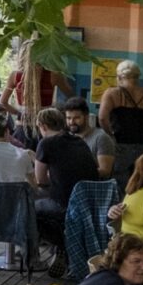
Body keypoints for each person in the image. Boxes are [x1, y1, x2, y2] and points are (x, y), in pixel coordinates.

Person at [34, 105, 100, 269]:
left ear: (43, 126)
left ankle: (61, 246)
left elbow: (40, 180)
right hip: (88, 202)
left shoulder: (46, 144)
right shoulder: (79, 141)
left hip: (64, 204)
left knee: (29, 209)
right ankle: (61, 248)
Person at [99, 60, 143, 174]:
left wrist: (110, 135)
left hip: (120, 145)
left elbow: (102, 118)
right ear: (138, 77)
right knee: (142, 182)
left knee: (121, 185)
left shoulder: (112, 94)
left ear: (119, 77)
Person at [62, 96, 116, 179]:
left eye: (76, 118)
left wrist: (74, 173)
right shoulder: (66, 138)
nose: (71, 122)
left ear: (86, 117)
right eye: (68, 118)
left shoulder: (101, 138)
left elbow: (105, 171)